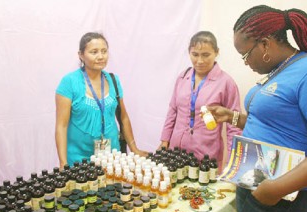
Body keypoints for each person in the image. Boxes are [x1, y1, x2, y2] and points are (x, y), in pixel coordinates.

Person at [207, 5, 307, 212]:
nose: (245, 62)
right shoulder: (281, 70)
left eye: (245, 54)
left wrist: (274, 189)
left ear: (265, 44)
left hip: (281, 194)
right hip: (258, 182)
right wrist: (231, 117)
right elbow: (273, 123)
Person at [55, 32, 147, 168]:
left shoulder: (113, 80)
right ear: (81, 55)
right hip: (80, 159)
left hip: (112, 157)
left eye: (104, 51)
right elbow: (61, 126)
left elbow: (123, 118)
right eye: (94, 52)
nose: (100, 56)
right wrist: (63, 162)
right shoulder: (69, 83)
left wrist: (134, 149)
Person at [160, 31, 242, 171]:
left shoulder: (226, 83)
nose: (200, 61)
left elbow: (233, 126)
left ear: (216, 53)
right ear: (189, 52)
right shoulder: (183, 77)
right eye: (195, 54)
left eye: (206, 55)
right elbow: (173, 110)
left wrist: (233, 162)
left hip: (206, 156)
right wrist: (164, 141)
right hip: (176, 153)